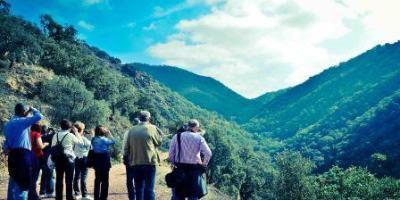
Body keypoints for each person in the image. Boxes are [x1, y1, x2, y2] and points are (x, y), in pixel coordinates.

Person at [4, 103, 43, 200]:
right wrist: (32, 109)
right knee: (22, 185)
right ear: (23, 112)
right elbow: (39, 116)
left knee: (13, 181)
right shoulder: (22, 122)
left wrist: (27, 112)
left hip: (12, 155)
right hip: (23, 156)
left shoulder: (8, 123)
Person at [168, 119, 212, 200]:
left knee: (178, 196)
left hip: (179, 169)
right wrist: (203, 165)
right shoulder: (199, 138)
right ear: (196, 127)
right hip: (194, 171)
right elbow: (208, 153)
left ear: (188, 126)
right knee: (193, 196)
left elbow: (170, 155)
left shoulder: (177, 136)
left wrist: (174, 163)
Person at [124, 111, 163, 200]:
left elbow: (126, 148)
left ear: (139, 118)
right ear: (149, 118)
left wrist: (127, 159)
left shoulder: (131, 130)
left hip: (135, 163)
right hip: (149, 162)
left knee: (138, 188)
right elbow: (159, 142)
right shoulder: (152, 128)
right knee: (149, 189)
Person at [51, 119, 83, 200]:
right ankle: (69, 197)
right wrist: (76, 132)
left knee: (59, 179)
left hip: (58, 159)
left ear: (61, 126)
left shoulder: (56, 135)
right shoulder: (70, 135)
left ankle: (58, 198)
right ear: (69, 127)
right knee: (69, 180)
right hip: (69, 159)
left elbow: (52, 147)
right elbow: (81, 143)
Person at [92, 125, 115, 200]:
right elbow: (114, 141)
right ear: (103, 132)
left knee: (97, 179)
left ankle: (96, 197)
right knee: (105, 180)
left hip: (96, 159)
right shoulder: (105, 140)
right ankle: (103, 197)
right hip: (104, 159)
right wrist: (110, 134)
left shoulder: (93, 139)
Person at [29, 124, 49, 200]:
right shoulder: (36, 134)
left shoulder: (28, 133)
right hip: (37, 156)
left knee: (31, 176)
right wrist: (45, 144)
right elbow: (40, 146)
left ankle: (31, 194)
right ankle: (33, 195)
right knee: (35, 177)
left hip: (29, 155)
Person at [73, 121, 93, 200]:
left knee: (76, 176)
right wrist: (92, 136)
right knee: (83, 177)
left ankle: (77, 193)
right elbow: (91, 147)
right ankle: (84, 195)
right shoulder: (84, 139)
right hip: (84, 159)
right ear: (81, 130)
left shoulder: (73, 137)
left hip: (76, 158)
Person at [39, 126, 55, 198]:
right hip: (48, 158)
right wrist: (51, 130)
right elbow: (53, 134)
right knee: (50, 175)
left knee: (43, 176)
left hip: (40, 157)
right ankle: (50, 191)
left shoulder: (39, 137)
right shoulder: (48, 137)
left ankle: (42, 191)